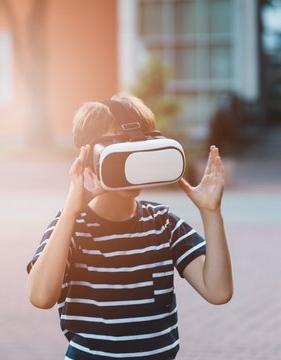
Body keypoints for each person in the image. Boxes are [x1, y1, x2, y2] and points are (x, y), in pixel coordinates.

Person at [27, 93, 233, 359]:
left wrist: (210, 212)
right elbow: (40, 297)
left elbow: (218, 291)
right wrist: (70, 211)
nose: (133, 160)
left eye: (140, 147)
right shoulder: (70, 228)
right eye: (119, 149)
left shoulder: (163, 224)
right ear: (90, 158)